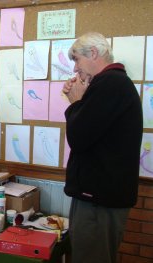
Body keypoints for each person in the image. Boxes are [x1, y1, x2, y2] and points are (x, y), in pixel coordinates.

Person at [62, 32, 143, 263]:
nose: (76, 69)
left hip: (99, 201)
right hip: (101, 198)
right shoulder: (112, 84)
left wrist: (77, 102)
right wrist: (83, 100)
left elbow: (78, 137)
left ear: (94, 53)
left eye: (77, 59)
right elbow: (94, 132)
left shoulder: (110, 83)